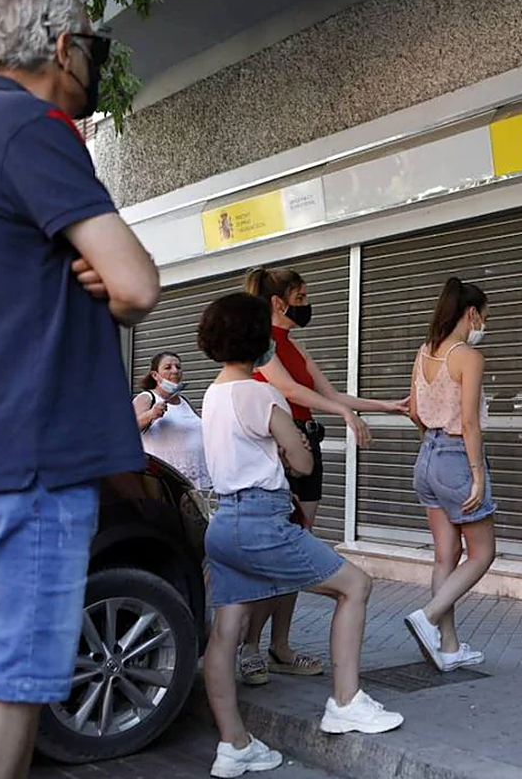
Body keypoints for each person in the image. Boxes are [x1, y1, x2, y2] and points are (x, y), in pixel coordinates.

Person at [0, 0, 160, 779]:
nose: (92, 60)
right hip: (31, 464)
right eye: (91, 42)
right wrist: (111, 281)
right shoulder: (28, 128)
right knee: (13, 688)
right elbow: (137, 283)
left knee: (18, 686)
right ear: (61, 45)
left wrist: (95, 275)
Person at [198, 293, 403, 777]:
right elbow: (302, 460)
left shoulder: (211, 394)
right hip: (263, 520)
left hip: (223, 523)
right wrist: (295, 448)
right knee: (355, 586)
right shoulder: (262, 394)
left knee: (226, 632)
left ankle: (233, 745)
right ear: (257, 338)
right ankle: (346, 701)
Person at [240, 266, 407, 684]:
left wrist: (388, 406)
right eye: (301, 297)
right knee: (276, 554)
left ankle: (280, 646)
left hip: (307, 449)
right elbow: (290, 391)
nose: (307, 304)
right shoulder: (261, 345)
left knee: (297, 549)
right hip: (280, 450)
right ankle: (250, 647)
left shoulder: (295, 347)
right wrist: (344, 414)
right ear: (279, 302)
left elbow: (328, 394)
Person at [405, 277, 497, 671]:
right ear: (471, 313)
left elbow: (414, 411)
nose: (484, 325)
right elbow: (470, 422)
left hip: (427, 457)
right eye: (484, 316)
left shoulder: (425, 351)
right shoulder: (468, 357)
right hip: (457, 458)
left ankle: (448, 645)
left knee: (446, 555)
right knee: (482, 553)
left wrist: (432, 441)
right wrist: (477, 473)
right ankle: (427, 617)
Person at [134, 351, 211, 491]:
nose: (175, 371)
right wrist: (151, 414)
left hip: (196, 479)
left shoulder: (185, 401)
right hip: (165, 482)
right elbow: (127, 430)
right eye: (168, 367)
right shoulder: (147, 398)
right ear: (155, 375)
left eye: (178, 367)